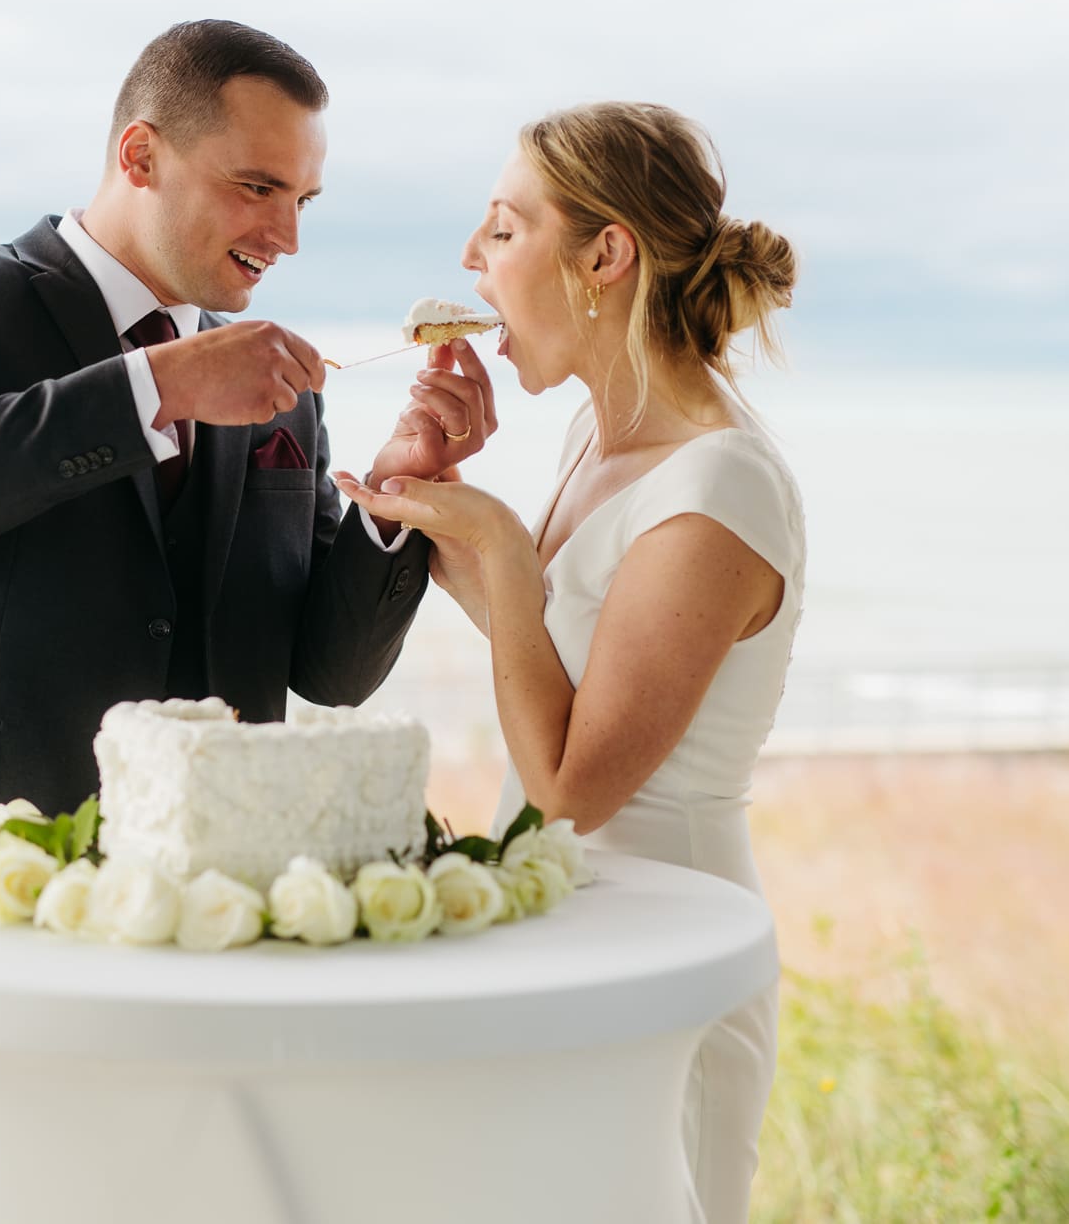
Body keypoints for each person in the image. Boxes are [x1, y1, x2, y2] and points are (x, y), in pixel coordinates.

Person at [0, 20, 497, 857]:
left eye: (302, 200)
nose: (288, 238)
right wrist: (159, 386)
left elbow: (331, 673)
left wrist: (394, 496)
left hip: (192, 887)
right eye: (256, 188)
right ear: (139, 157)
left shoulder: (276, 393)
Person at [335, 102, 801, 1224]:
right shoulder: (596, 437)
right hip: (560, 931)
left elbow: (572, 784)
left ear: (605, 256)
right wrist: (421, 490)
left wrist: (495, 542)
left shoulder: (716, 486)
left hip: (661, 950)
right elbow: (546, 646)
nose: (467, 259)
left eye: (501, 229)